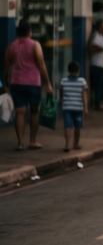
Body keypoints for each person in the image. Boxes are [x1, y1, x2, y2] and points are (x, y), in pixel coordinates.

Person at [4, 20, 52, 150]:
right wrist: (47, 82)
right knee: (34, 112)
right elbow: (41, 64)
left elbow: (6, 66)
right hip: (33, 83)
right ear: (29, 32)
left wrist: (5, 83)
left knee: (20, 112)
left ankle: (20, 143)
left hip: (16, 83)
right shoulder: (35, 45)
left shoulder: (11, 46)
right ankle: (32, 141)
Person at [58, 61, 88, 152]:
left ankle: (67, 145)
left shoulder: (63, 81)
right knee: (78, 126)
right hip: (78, 107)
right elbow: (84, 95)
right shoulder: (82, 81)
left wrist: (61, 99)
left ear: (68, 70)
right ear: (78, 70)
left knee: (68, 126)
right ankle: (76, 144)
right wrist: (86, 108)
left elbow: (61, 91)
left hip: (67, 107)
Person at [87, 19, 103, 111]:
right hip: (97, 65)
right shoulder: (95, 36)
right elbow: (91, 48)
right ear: (100, 27)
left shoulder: (102, 37)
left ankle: (101, 101)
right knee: (98, 86)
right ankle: (98, 103)